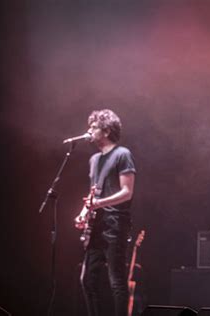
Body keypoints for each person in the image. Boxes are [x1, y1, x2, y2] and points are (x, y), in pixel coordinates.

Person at [75, 109, 136, 316]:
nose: (89, 131)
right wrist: (84, 211)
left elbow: (127, 192)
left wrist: (99, 204)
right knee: (87, 280)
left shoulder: (123, 154)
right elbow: (94, 192)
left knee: (116, 281)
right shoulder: (93, 160)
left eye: (93, 127)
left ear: (107, 131)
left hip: (115, 224)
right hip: (97, 225)